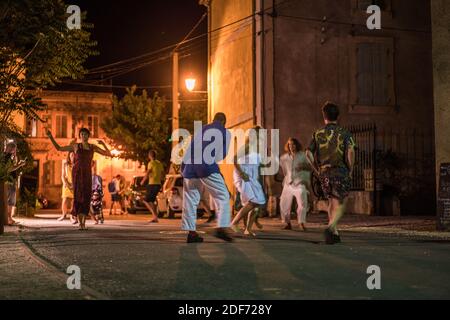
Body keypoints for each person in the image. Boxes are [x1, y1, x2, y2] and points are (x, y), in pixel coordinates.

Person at [306, 102, 356, 245]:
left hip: (324, 172)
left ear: (324, 117)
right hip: (340, 171)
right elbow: (350, 152)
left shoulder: (317, 134)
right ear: (337, 116)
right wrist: (350, 169)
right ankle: (331, 227)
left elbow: (308, 153)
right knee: (342, 202)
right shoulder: (345, 133)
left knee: (331, 201)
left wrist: (316, 169)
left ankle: (334, 234)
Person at [181, 112, 233, 243]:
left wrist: (184, 166)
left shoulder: (202, 129)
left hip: (190, 166)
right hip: (206, 165)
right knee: (223, 196)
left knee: (190, 201)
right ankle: (221, 227)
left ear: (213, 120)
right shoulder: (226, 132)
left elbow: (190, 148)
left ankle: (191, 233)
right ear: (224, 122)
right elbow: (221, 155)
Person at [47, 128, 112, 230]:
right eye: (81, 134)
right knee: (78, 197)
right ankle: (80, 224)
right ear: (79, 136)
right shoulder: (76, 146)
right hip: (77, 174)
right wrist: (51, 137)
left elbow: (108, 154)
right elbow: (59, 148)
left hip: (87, 174)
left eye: (85, 134)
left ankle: (83, 224)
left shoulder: (92, 147)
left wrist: (103, 144)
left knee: (86, 197)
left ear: (88, 136)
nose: (83, 136)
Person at [230, 130, 266, 237]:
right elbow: (234, 159)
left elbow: (257, 165)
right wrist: (241, 173)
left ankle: (248, 229)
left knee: (256, 203)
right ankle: (234, 223)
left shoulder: (257, 149)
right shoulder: (247, 146)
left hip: (252, 177)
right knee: (253, 202)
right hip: (243, 176)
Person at [279, 138, 312, 231]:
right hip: (288, 183)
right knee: (283, 203)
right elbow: (284, 170)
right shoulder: (284, 157)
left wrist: (303, 166)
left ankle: (301, 222)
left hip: (299, 182)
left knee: (302, 202)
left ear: (297, 145)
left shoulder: (303, 155)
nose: (291, 147)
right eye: (289, 145)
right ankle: (287, 223)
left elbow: (311, 167)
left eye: (293, 144)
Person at [3, 142, 26, 226]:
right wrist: (19, 165)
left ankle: (9, 218)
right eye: (14, 149)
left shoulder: (8, 157)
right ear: (11, 149)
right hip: (9, 181)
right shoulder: (7, 157)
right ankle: (8, 218)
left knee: (11, 200)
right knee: (10, 200)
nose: (15, 150)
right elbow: (9, 169)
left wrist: (18, 163)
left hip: (10, 181)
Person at [141, 150, 165, 223]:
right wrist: (162, 182)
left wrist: (143, 180)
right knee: (152, 200)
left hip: (152, 184)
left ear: (150, 156)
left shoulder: (151, 163)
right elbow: (163, 173)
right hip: (158, 184)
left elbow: (148, 172)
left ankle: (154, 216)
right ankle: (155, 217)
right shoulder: (159, 163)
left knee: (145, 200)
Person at [58, 152, 77, 223]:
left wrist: (74, 184)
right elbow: (62, 175)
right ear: (69, 156)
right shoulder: (65, 164)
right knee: (65, 199)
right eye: (71, 155)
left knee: (73, 201)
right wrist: (66, 183)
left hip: (75, 184)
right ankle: (63, 215)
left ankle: (72, 217)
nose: (73, 156)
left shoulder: (77, 164)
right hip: (66, 184)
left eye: (74, 155)